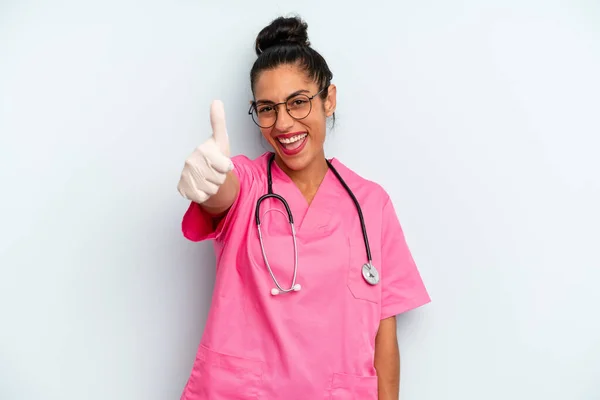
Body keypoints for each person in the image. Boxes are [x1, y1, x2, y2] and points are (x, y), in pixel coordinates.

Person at [176, 15, 430, 400]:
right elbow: (220, 194)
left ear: (329, 99)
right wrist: (209, 178)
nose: (283, 123)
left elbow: (384, 333)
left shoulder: (371, 204)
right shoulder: (248, 184)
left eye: (298, 102)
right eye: (267, 108)